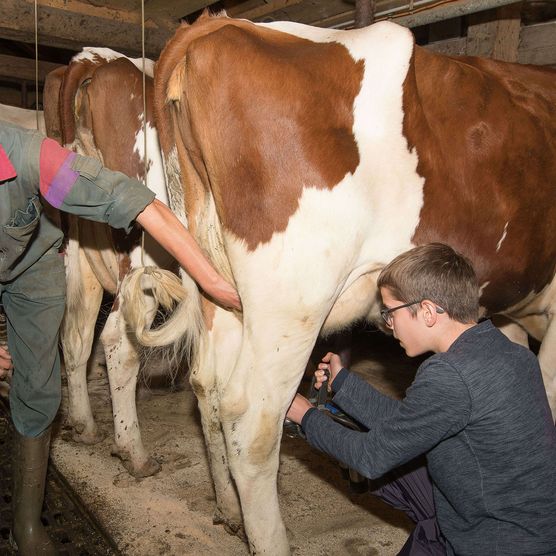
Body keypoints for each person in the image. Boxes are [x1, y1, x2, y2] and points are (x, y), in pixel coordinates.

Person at [0, 120, 240, 555]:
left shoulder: (33, 157)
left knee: (38, 385)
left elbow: (137, 204)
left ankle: (26, 525)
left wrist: (211, 281)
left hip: (29, 268)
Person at [287, 243, 556, 556]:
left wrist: (305, 417)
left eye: (390, 312)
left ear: (428, 311)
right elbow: (412, 422)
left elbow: (371, 457)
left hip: (496, 543)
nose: (388, 324)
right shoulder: (510, 354)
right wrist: (343, 384)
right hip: (529, 525)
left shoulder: (449, 373)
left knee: (380, 456)